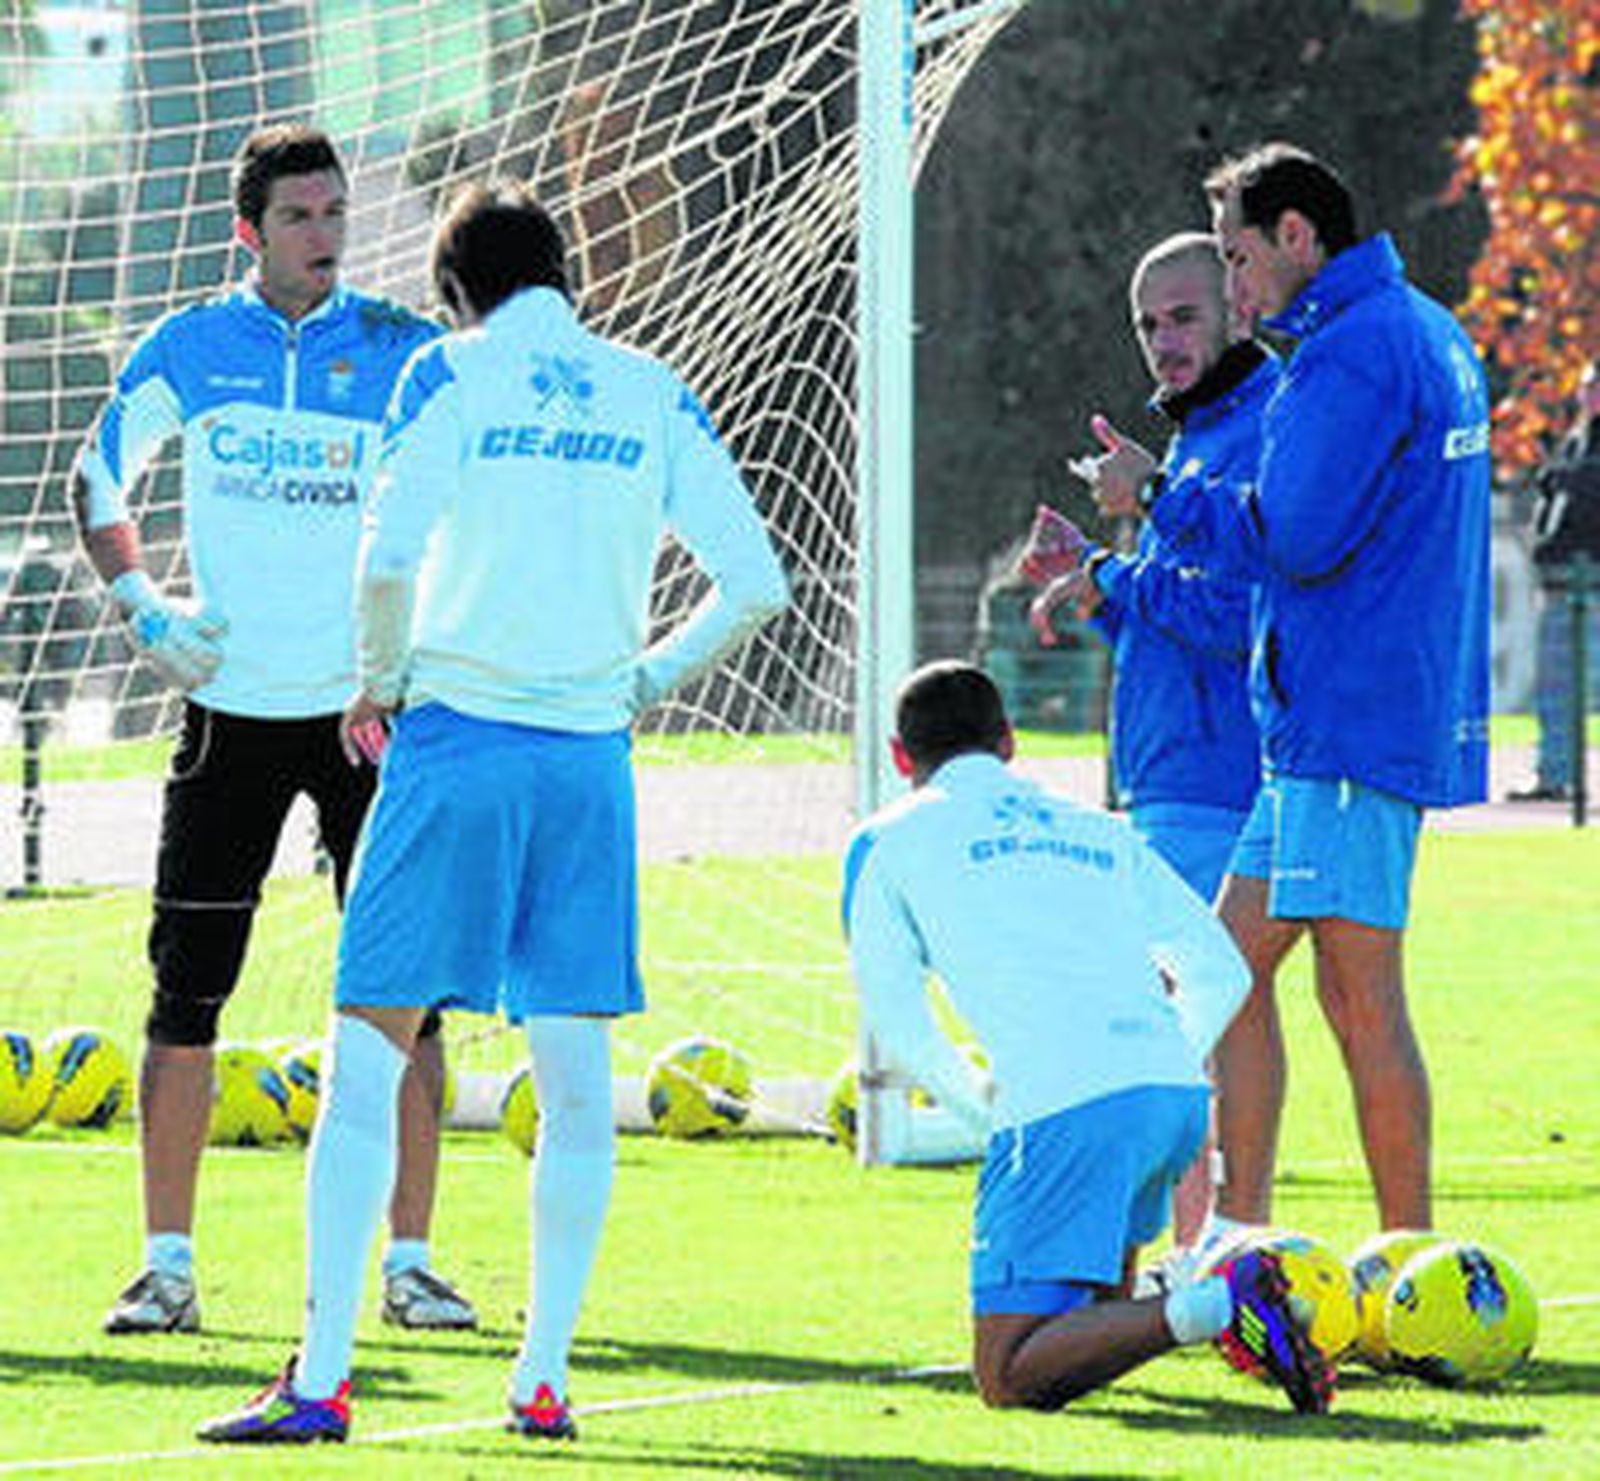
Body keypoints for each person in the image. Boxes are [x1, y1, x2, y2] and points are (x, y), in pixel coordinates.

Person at [198, 181, 789, 1445]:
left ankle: (319, 1377)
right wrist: (642, 679)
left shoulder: (446, 371)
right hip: (587, 760)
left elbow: (390, 553)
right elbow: (755, 579)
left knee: (366, 1059)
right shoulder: (648, 387)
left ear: (455, 291)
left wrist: (380, 678)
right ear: (564, 274)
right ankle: (545, 1374)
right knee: (573, 1079)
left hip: (458, 738)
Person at [70, 124, 478, 1337]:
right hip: (228, 712)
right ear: (248, 231)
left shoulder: (406, 353)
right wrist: (145, 606)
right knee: (185, 995)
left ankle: (410, 1262)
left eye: (336, 213)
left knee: (412, 1000)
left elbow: (467, 492)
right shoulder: (190, 348)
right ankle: (167, 1266)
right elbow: (97, 481)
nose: (325, 236)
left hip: (367, 718)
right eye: (300, 216)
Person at [1088, 143, 1492, 1234]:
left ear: (1297, 237)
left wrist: (1156, 492)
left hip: (1346, 723)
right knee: (1218, 967)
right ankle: (1232, 1237)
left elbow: (1296, 538)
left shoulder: (1353, 351)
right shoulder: (1417, 329)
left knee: (1357, 1000)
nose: (1232, 285)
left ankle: (1411, 1259)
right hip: (1326, 726)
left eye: (1236, 255)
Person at [841, 660, 1331, 1414]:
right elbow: (1221, 972)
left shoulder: (885, 840)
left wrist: (984, 1111)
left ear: (901, 756)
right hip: (1172, 1099)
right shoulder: (1099, 827)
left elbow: (899, 1020)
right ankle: (1196, 1306)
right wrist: (1159, 1056)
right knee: (1084, 1332)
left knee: (1007, 1374)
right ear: (1008, 743)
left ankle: (1216, 1300)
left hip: (1062, 1108)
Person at [1023, 233, 1272, 1258]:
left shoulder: (1257, 432)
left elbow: (1240, 611)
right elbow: (1174, 626)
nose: (1163, 342)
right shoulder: (1196, 444)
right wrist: (1096, 582)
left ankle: (1201, 1247)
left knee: (1187, 1016)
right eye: (1146, 323)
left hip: (1221, 781)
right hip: (1167, 774)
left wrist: (1116, 571)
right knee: (1198, 1017)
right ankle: (1205, 1245)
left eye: (1183, 316)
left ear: (1235, 310)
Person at [1511, 357, 1600, 802]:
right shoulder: (1575, 443)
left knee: (1572, 687)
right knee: (1557, 690)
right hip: (1561, 583)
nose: (1590, 395)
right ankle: (1555, 776)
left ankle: (1558, 776)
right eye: (1588, 386)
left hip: (1591, 585)